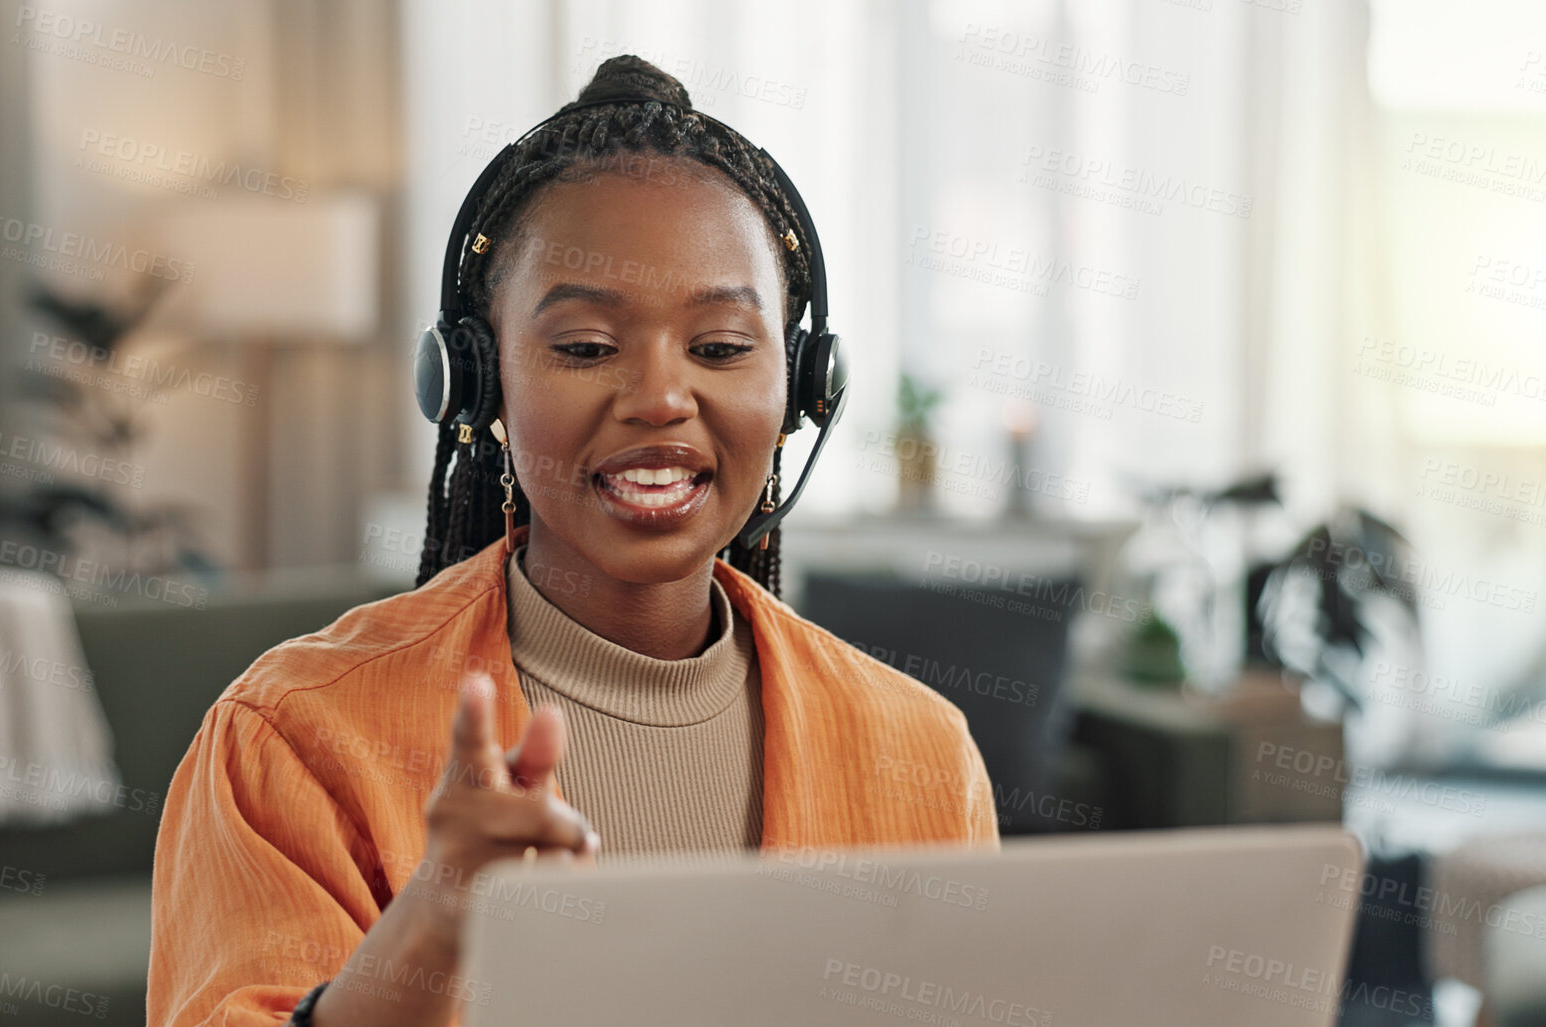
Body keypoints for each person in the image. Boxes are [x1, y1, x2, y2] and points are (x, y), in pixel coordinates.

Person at [146, 55, 999, 1027]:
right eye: (586, 347)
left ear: (805, 388)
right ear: (479, 385)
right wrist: (433, 926)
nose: (661, 399)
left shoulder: (919, 753)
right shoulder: (291, 734)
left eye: (721, 347)